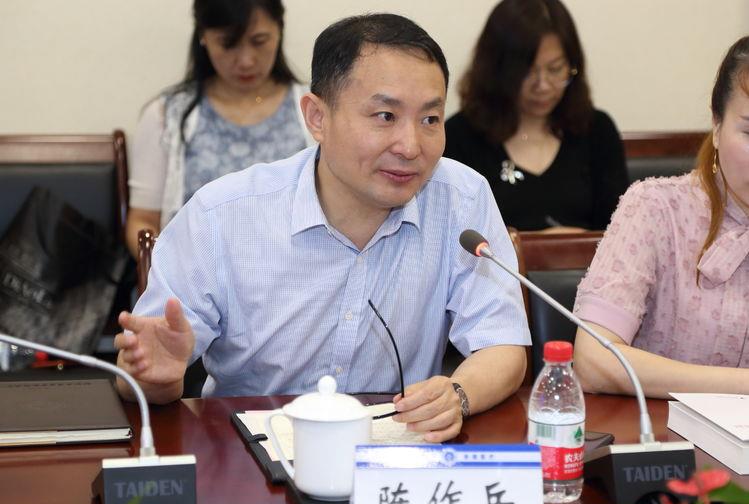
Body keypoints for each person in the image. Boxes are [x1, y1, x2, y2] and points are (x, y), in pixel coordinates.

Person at [114, 13, 530, 443]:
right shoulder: (222, 215)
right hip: (250, 455)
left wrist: (457, 395)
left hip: (395, 454)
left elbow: (502, 343)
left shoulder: (461, 198)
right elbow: (138, 377)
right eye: (386, 115)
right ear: (317, 117)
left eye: (430, 119)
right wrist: (154, 377)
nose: (410, 147)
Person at [572, 36, 749, 398]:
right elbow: (593, 361)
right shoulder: (655, 208)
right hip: (654, 430)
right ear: (717, 126)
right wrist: (740, 385)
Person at [125, 0, 314, 258]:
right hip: (193, 276)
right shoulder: (167, 115)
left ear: (279, 30)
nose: (246, 61)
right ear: (203, 37)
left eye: (259, 41)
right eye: (228, 44)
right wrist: (170, 269)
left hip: (298, 273)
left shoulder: (315, 110)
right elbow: (143, 220)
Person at [444, 0, 628, 232]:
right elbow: (454, 235)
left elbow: (622, 231)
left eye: (555, 69)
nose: (543, 86)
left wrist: (573, 243)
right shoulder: (460, 136)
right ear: (496, 69)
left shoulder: (597, 130)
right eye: (527, 72)